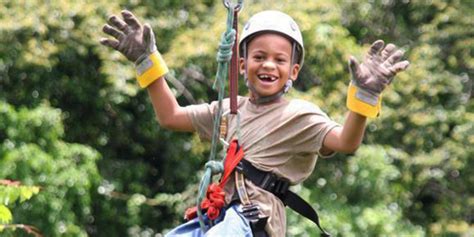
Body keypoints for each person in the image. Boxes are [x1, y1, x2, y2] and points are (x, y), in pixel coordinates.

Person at [100, 9, 409, 237]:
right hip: (219, 216)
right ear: (242, 65)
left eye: (279, 59)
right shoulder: (229, 109)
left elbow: (346, 141)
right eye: (259, 57)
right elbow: (170, 117)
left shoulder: (300, 116)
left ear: (294, 71)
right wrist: (146, 61)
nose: (269, 65)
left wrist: (364, 97)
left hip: (253, 221)